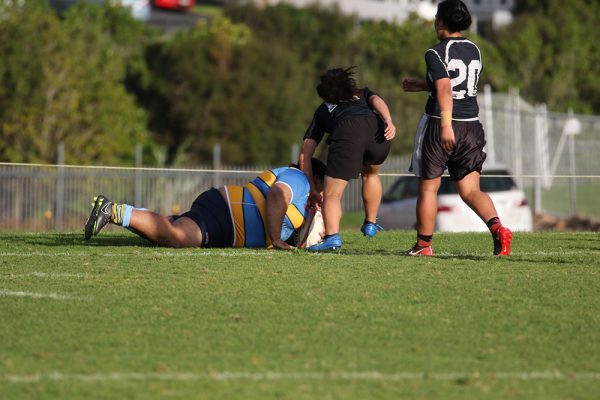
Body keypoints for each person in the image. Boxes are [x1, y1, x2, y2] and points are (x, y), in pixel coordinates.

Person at [401, 0, 512, 256]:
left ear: (440, 21)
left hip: (441, 124)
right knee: (471, 190)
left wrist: (446, 126)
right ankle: (498, 229)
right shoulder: (475, 49)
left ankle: (423, 245)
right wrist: (422, 84)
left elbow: (445, 87)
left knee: (429, 188)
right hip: (472, 127)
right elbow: (458, 83)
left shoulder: (434, 52)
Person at [84, 159, 327, 250]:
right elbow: (276, 195)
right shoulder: (300, 178)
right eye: (323, 186)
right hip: (225, 216)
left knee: (171, 226)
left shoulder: (304, 195)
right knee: (178, 237)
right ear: (315, 177)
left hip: (225, 216)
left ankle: (120, 212)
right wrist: (276, 239)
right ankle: (113, 211)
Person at [300, 66, 396, 252]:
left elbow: (306, 152)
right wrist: (388, 120)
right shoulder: (361, 94)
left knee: (332, 194)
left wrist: (311, 188)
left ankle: (332, 238)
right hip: (378, 132)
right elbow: (377, 99)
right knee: (371, 174)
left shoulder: (323, 110)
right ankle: (370, 222)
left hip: (348, 132)